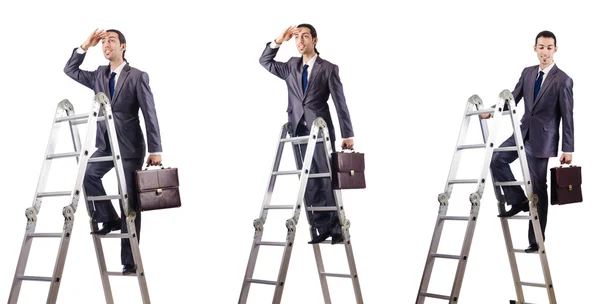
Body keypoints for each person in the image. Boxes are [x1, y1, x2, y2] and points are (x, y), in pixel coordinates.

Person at [64, 29, 163, 274]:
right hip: (106, 144)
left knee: (130, 201)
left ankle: (130, 261)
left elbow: (149, 113)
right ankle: (109, 217)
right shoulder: (98, 75)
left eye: (111, 41)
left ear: (123, 46)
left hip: (129, 147)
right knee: (86, 175)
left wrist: (156, 149)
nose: (106, 45)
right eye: (103, 42)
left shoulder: (138, 76)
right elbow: (70, 70)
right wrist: (85, 45)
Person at [259, 24, 355, 245]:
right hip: (298, 130)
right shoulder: (291, 66)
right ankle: (320, 227)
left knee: (324, 176)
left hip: (320, 129)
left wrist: (347, 134)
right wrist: (278, 41)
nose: (300, 41)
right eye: (297, 38)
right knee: (307, 179)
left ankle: (336, 227)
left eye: (305, 37)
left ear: (315, 40)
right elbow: (265, 62)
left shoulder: (329, 68)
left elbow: (341, 104)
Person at [481, 30, 574, 253]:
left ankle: (536, 240)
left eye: (549, 47)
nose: (545, 52)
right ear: (535, 48)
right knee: (496, 160)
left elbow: (568, 115)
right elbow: (514, 98)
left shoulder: (563, 80)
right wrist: (493, 111)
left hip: (543, 139)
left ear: (555, 49)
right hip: (522, 132)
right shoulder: (528, 73)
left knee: (538, 188)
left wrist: (568, 149)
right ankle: (518, 200)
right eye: (541, 47)